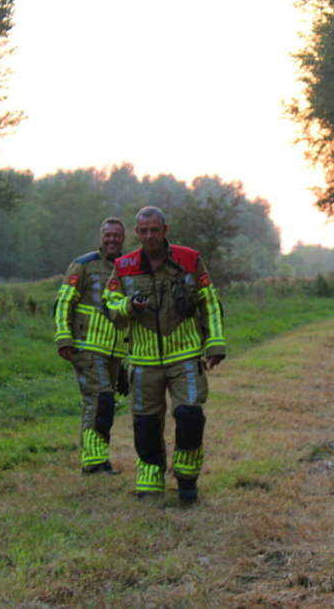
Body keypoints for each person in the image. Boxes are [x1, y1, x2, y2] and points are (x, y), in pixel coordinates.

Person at [105, 206, 225, 503]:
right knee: (145, 423)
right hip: (144, 362)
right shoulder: (123, 265)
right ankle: (150, 479)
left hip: (185, 357)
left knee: (190, 415)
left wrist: (216, 344)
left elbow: (209, 303)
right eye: (143, 231)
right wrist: (129, 306)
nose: (149, 236)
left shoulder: (190, 259)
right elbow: (109, 305)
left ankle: (187, 480)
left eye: (154, 230)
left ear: (165, 230)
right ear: (137, 233)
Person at [54, 218, 130, 475]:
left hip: (114, 353)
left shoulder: (127, 267)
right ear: (100, 236)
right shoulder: (84, 265)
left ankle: (99, 459)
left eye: (116, 236)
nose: (111, 239)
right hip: (86, 347)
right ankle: (93, 462)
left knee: (102, 403)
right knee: (100, 400)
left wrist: (126, 359)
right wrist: (64, 339)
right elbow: (64, 303)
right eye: (107, 235)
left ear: (123, 239)